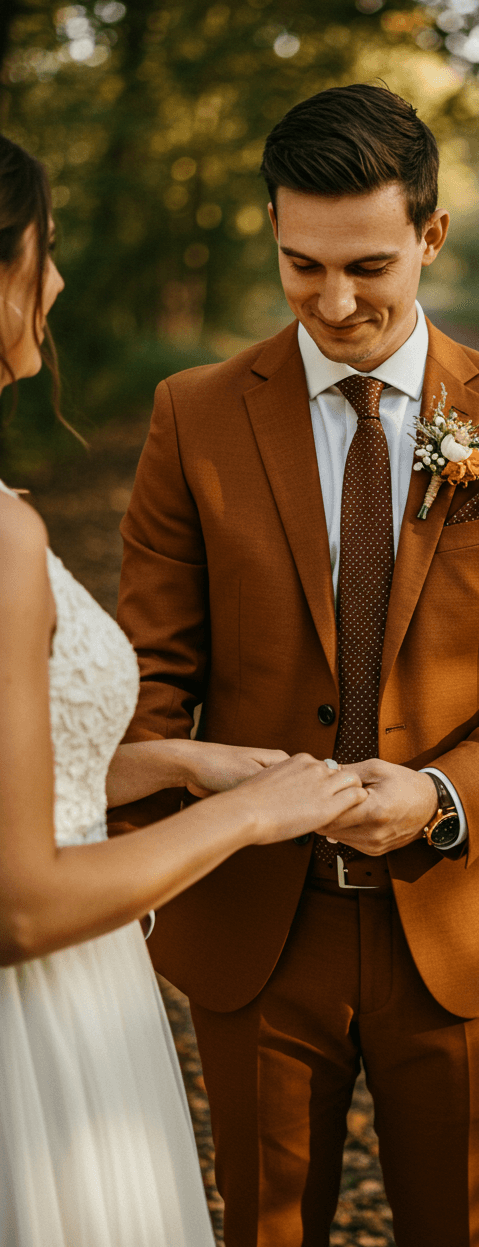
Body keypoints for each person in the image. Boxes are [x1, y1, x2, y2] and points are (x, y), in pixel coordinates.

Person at [113, 83, 479, 1247]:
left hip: (462, 916)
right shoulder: (191, 415)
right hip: (253, 927)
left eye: (369, 266)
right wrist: (145, 838)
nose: (334, 302)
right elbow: (150, 664)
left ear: (430, 236)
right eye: (302, 266)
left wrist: (442, 794)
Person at [0, 133, 367, 1247]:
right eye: (42, 248)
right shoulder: (3, 539)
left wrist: (165, 762)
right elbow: (19, 904)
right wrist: (247, 812)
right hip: (39, 1028)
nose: (56, 279)